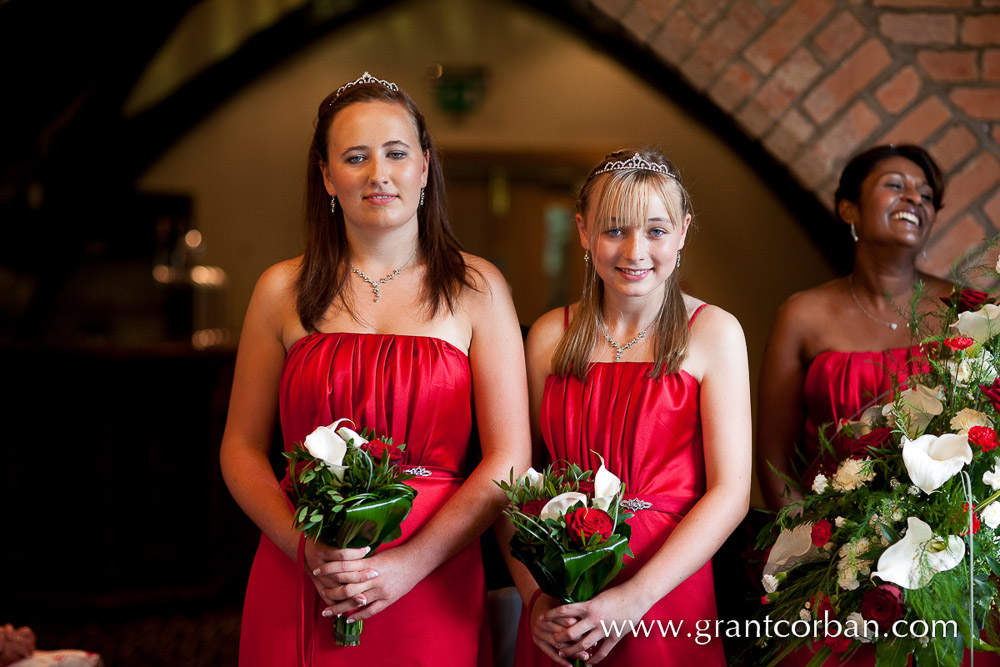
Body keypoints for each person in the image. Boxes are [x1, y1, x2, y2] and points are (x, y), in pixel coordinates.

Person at [220, 72, 530, 666]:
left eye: (395, 153)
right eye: (355, 157)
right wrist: (303, 546)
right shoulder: (280, 289)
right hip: (305, 569)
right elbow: (239, 448)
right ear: (326, 176)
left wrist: (409, 565)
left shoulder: (477, 287)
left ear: (424, 167)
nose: (377, 174)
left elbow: (509, 459)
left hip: (433, 570)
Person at [510, 148, 752, 665]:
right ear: (583, 231)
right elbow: (516, 483)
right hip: (562, 590)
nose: (635, 250)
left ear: (683, 232)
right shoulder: (550, 335)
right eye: (614, 229)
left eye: (656, 231)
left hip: (665, 589)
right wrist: (536, 599)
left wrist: (634, 599)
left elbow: (732, 492)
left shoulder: (714, 332)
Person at [757, 144, 950, 511]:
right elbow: (774, 461)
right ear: (849, 208)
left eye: (925, 195)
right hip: (830, 540)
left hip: (945, 543)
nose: (914, 197)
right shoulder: (802, 315)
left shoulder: (967, 311)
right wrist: (811, 551)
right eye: (895, 185)